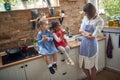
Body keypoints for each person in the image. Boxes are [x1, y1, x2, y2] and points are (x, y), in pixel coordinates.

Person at [79, 3, 104, 80]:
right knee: (83, 65)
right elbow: (80, 30)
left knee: (93, 66)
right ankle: (89, 78)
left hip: (92, 45)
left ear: (91, 12)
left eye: (87, 13)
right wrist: (87, 33)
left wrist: (84, 33)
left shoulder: (99, 20)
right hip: (84, 44)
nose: (85, 14)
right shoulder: (85, 18)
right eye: (85, 13)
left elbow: (93, 37)